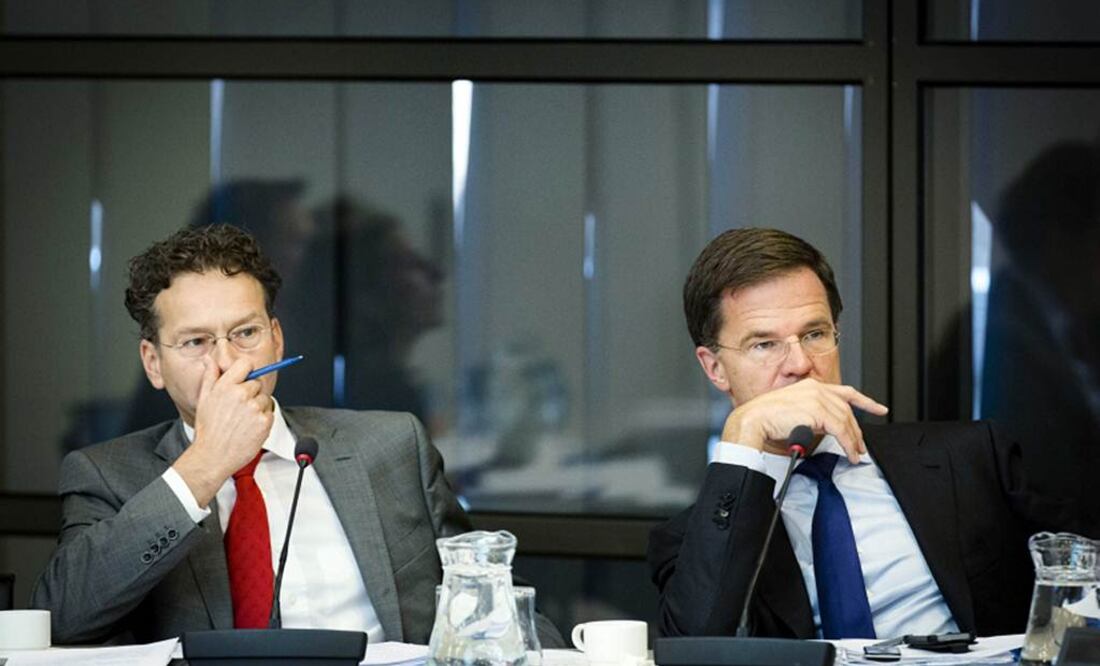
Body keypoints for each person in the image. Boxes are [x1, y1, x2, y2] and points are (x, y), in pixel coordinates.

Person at [31, 224, 563, 647]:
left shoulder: (392, 445)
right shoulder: (106, 474)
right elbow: (63, 617)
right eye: (196, 342)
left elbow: (492, 602)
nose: (228, 363)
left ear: (276, 339)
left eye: (245, 333)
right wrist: (205, 464)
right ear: (153, 363)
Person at [648, 227, 1097, 640]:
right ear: (715, 368)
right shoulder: (694, 539)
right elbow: (694, 649)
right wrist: (743, 435)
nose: (800, 364)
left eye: (815, 334)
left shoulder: (972, 458)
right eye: (764, 344)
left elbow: (1088, 568)